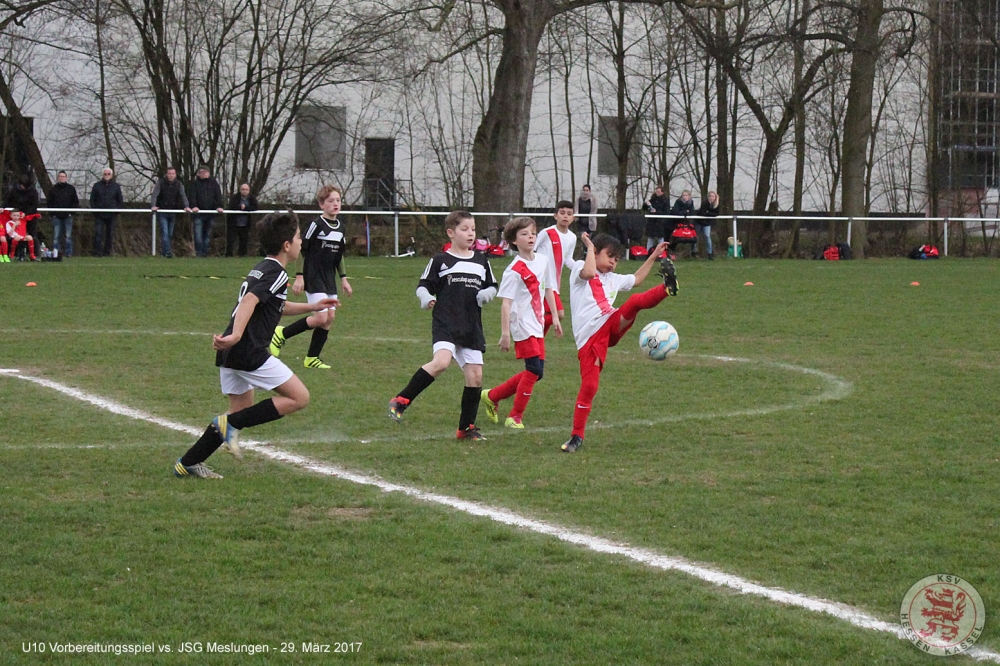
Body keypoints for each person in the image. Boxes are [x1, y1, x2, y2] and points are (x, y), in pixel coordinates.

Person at [173, 212, 339, 479]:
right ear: (287, 245)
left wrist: (313, 306)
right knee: (299, 398)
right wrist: (237, 335)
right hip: (247, 349)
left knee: (239, 412)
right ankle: (227, 425)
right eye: (298, 237)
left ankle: (189, 462)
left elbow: (276, 306)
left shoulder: (263, 267)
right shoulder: (277, 273)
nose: (301, 242)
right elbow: (250, 300)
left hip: (231, 350)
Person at [561, 233, 677, 453]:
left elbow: (636, 279)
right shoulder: (579, 268)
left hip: (610, 324)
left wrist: (653, 256)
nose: (613, 262)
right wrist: (589, 247)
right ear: (595, 253)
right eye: (610, 256)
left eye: (617, 259)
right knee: (590, 386)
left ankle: (666, 288)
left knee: (633, 302)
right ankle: (577, 436)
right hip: (589, 339)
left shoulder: (613, 279)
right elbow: (588, 272)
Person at [388, 210, 498, 441]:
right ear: (451, 232)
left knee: (475, 376)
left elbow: (492, 286)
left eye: (473, 229)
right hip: (446, 322)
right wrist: (426, 298)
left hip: (471, 325)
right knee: (441, 363)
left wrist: (487, 294)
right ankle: (401, 400)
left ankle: (466, 428)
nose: (470, 233)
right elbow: (423, 286)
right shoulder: (441, 260)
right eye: (464, 229)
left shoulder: (481, 261)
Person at [480, 217, 562, 429]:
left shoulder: (542, 260)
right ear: (514, 241)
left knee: (537, 373)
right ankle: (515, 417)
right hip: (522, 325)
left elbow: (548, 289)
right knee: (533, 370)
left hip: (537, 323)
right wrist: (505, 333)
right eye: (524, 234)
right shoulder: (514, 270)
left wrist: (554, 317)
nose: (530, 237)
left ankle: (492, 396)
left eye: (533, 233)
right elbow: (506, 304)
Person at [269, 185, 352, 370]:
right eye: (330, 201)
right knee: (321, 318)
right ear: (321, 204)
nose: (335, 204)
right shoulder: (317, 225)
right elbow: (301, 250)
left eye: (338, 200)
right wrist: (300, 276)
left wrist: (344, 279)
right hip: (313, 275)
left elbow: (339, 256)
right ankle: (281, 333)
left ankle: (312, 358)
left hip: (329, 277)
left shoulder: (341, 227)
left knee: (329, 318)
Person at [534, 199, 578, 335]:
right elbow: (532, 249)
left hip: (554, 282)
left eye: (569, 214)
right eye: (562, 213)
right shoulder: (547, 233)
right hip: (542, 280)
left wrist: (580, 268)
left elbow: (568, 259)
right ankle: (532, 330)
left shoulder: (572, 237)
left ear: (573, 218)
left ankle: (536, 338)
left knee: (548, 313)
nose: (565, 216)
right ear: (555, 216)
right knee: (558, 313)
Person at [150, 167, 190, 258]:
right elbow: (155, 195)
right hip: (162, 211)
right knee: (165, 233)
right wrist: (153, 205)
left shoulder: (179, 184)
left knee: (170, 234)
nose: (171, 175)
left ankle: (164, 253)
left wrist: (186, 206)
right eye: (169, 173)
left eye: (173, 173)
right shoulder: (160, 183)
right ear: (166, 174)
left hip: (173, 212)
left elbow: (183, 195)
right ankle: (168, 252)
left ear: (175, 175)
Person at [188, 165, 224, 257]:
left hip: (210, 214)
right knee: (198, 235)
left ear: (208, 173)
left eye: (205, 172)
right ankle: (199, 253)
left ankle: (204, 253)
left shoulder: (214, 183)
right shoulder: (195, 184)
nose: (203, 174)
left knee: (207, 235)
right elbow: (192, 197)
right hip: (198, 214)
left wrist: (219, 206)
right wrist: (194, 206)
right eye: (201, 172)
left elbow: (218, 196)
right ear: (198, 174)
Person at [89, 167, 124, 257]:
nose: (107, 175)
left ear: (111, 175)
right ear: (102, 175)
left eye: (108, 174)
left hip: (111, 215)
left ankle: (107, 253)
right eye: (105, 174)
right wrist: (95, 211)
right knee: (98, 234)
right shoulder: (96, 186)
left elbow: (120, 201)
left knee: (110, 235)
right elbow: (92, 200)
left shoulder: (116, 186)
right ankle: (97, 253)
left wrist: (116, 211)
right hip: (99, 215)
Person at [5, 171, 40, 254]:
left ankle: (34, 253)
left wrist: (26, 213)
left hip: (29, 216)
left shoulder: (33, 191)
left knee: (32, 234)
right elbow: (8, 200)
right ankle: (14, 252)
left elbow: (34, 205)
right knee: (14, 234)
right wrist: (4, 208)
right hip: (17, 215)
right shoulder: (14, 190)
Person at [47, 171, 80, 257]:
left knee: (68, 236)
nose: (62, 178)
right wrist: (52, 214)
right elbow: (49, 202)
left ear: (66, 178)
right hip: (56, 216)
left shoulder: (71, 189)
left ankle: (68, 253)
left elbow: (75, 202)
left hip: (67, 216)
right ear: (58, 178)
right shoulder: (53, 189)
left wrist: (71, 213)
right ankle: (56, 253)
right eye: (60, 176)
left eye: (63, 176)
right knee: (56, 236)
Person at [226, 183, 258, 257]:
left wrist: (245, 208)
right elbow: (231, 207)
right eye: (243, 189)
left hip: (245, 223)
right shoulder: (235, 197)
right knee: (231, 240)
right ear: (240, 190)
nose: (244, 191)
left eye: (246, 189)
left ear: (249, 190)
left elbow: (255, 207)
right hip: (233, 223)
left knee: (244, 240)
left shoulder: (252, 198)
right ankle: (228, 255)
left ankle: (242, 255)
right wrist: (240, 207)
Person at [643, 185, 670, 250]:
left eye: (658, 191)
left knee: (660, 238)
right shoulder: (653, 199)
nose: (657, 193)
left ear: (662, 192)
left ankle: (661, 251)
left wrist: (656, 212)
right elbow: (644, 208)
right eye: (656, 191)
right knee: (650, 238)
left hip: (660, 222)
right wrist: (646, 204)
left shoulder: (665, 201)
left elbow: (666, 212)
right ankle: (648, 252)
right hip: (651, 221)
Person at [695, 191, 720, 259]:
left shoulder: (716, 204)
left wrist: (708, 212)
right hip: (699, 222)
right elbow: (702, 212)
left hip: (707, 223)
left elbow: (716, 214)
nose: (711, 197)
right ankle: (693, 252)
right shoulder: (705, 203)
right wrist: (710, 213)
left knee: (707, 236)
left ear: (715, 197)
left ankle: (710, 253)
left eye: (713, 196)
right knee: (695, 236)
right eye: (710, 196)